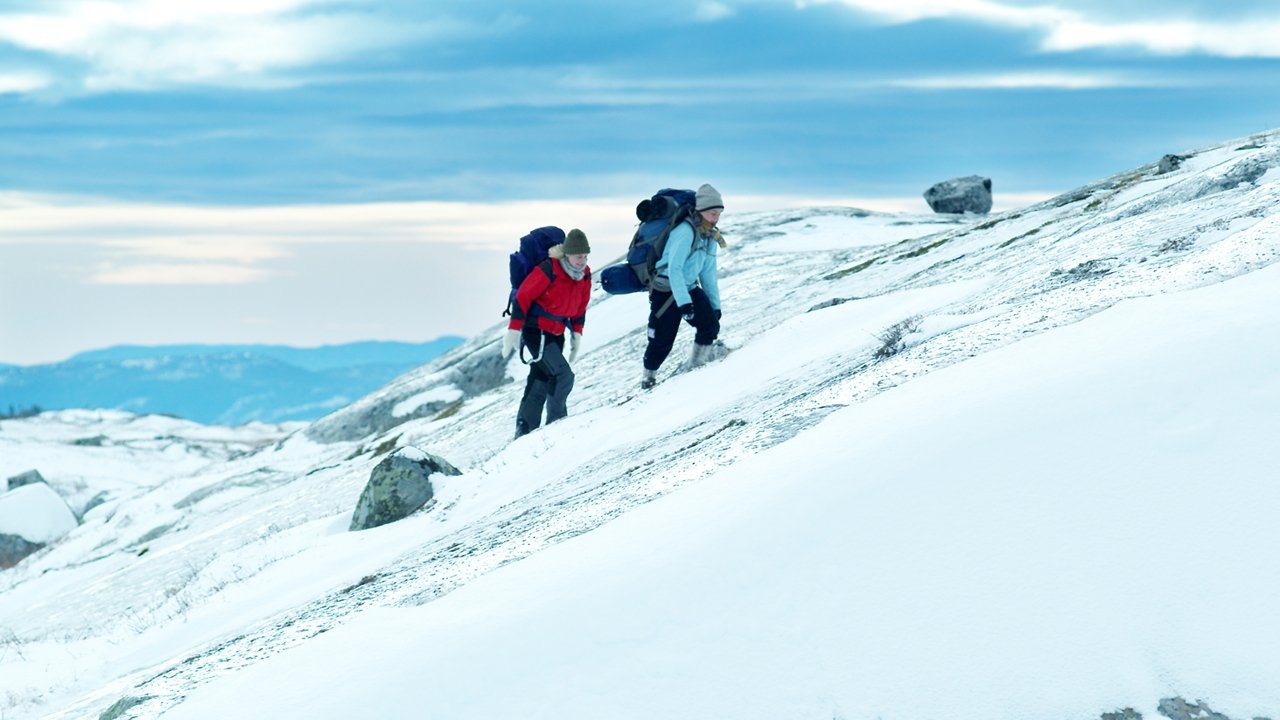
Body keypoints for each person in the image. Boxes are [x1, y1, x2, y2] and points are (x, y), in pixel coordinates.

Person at [501, 228, 592, 438]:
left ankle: (524, 430)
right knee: (563, 376)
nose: (583, 261)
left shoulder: (584, 275)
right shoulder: (549, 269)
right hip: (536, 331)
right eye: (579, 256)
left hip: (556, 333)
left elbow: (580, 307)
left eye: (586, 256)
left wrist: (576, 334)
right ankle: (556, 425)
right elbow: (522, 297)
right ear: (567, 254)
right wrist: (514, 331)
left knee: (541, 378)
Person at [641, 183, 726, 390]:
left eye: (718, 214)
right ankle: (648, 378)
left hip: (687, 288)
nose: (716, 218)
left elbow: (708, 273)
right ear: (701, 211)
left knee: (710, 325)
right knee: (662, 341)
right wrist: (684, 303)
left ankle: (697, 366)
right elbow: (674, 268)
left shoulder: (710, 236)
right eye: (712, 213)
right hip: (666, 290)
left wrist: (715, 305)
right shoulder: (685, 231)